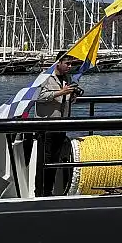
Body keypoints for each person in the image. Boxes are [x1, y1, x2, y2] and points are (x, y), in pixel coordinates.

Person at [35, 58, 79, 196]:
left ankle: (50, 190)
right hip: (46, 126)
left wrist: (72, 96)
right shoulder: (45, 77)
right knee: (44, 161)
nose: (69, 67)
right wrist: (61, 92)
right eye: (67, 63)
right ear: (58, 63)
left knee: (55, 160)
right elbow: (39, 96)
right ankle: (41, 191)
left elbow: (66, 99)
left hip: (61, 124)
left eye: (71, 64)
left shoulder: (68, 78)